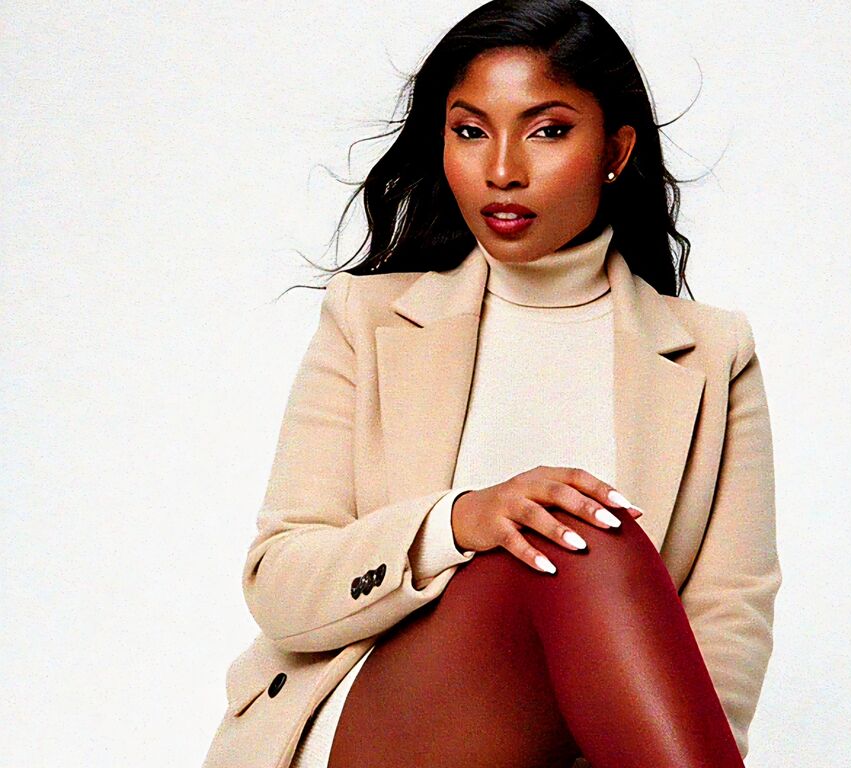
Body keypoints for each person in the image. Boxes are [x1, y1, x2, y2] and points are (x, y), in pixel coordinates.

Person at [202, 2, 782, 767]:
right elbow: (278, 581)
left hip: (575, 751)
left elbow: (726, 621)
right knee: (578, 535)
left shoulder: (712, 355)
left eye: (547, 131)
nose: (503, 169)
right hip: (368, 726)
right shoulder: (368, 320)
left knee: (580, 536)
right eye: (471, 131)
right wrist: (459, 522)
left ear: (615, 150)